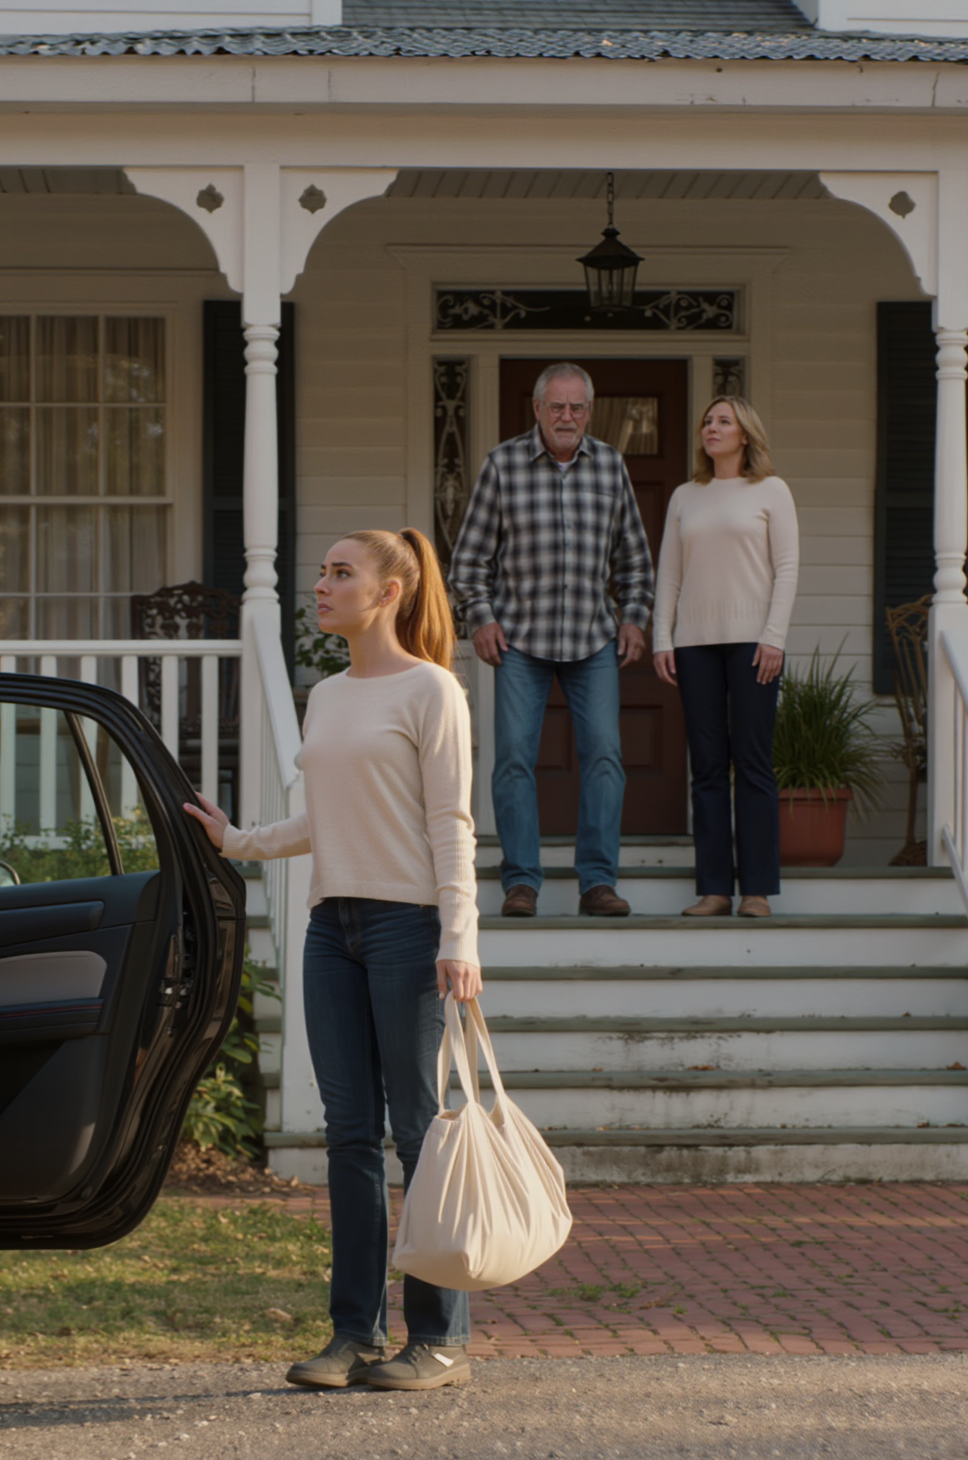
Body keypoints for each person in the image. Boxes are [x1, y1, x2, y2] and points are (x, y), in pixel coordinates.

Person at [184, 528, 480, 1394]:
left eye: (340, 573)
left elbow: (448, 823)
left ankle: (439, 1339)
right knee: (348, 1135)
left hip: (408, 929)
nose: (321, 585)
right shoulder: (328, 695)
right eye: (320, 572)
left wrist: (460, 937)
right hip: (331, 930)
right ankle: (353, 1333)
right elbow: (328, 818)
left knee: (417, 1133)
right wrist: (239, 840)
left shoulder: (433, 692)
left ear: (389, 591)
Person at [450, 362, 654, 919]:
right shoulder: (503, 465)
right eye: (557, 406)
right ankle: (520, 882)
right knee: (513, 759)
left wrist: (634, 618)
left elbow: (634, 559)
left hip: (593, 640)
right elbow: (468, 562)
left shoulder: (610, 466)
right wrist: (482, 619)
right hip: (519, 642)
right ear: (537, 409)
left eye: (578, 407)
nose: (567, 417)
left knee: (605, 759)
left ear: (589, 411)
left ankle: (598, 884)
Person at [652, 396, 799, 918]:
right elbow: (668, 573)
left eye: (723, 421)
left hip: (754, 643)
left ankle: (756, 890)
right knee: (708, 768)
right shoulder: (685, 496)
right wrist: (662, 639)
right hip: (694, 644)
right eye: (707, 422)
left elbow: (787, 568)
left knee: (753, 764)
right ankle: (714, 889)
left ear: (745, 434)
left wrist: (774, 637)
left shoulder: (772, 491)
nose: (711, 428)